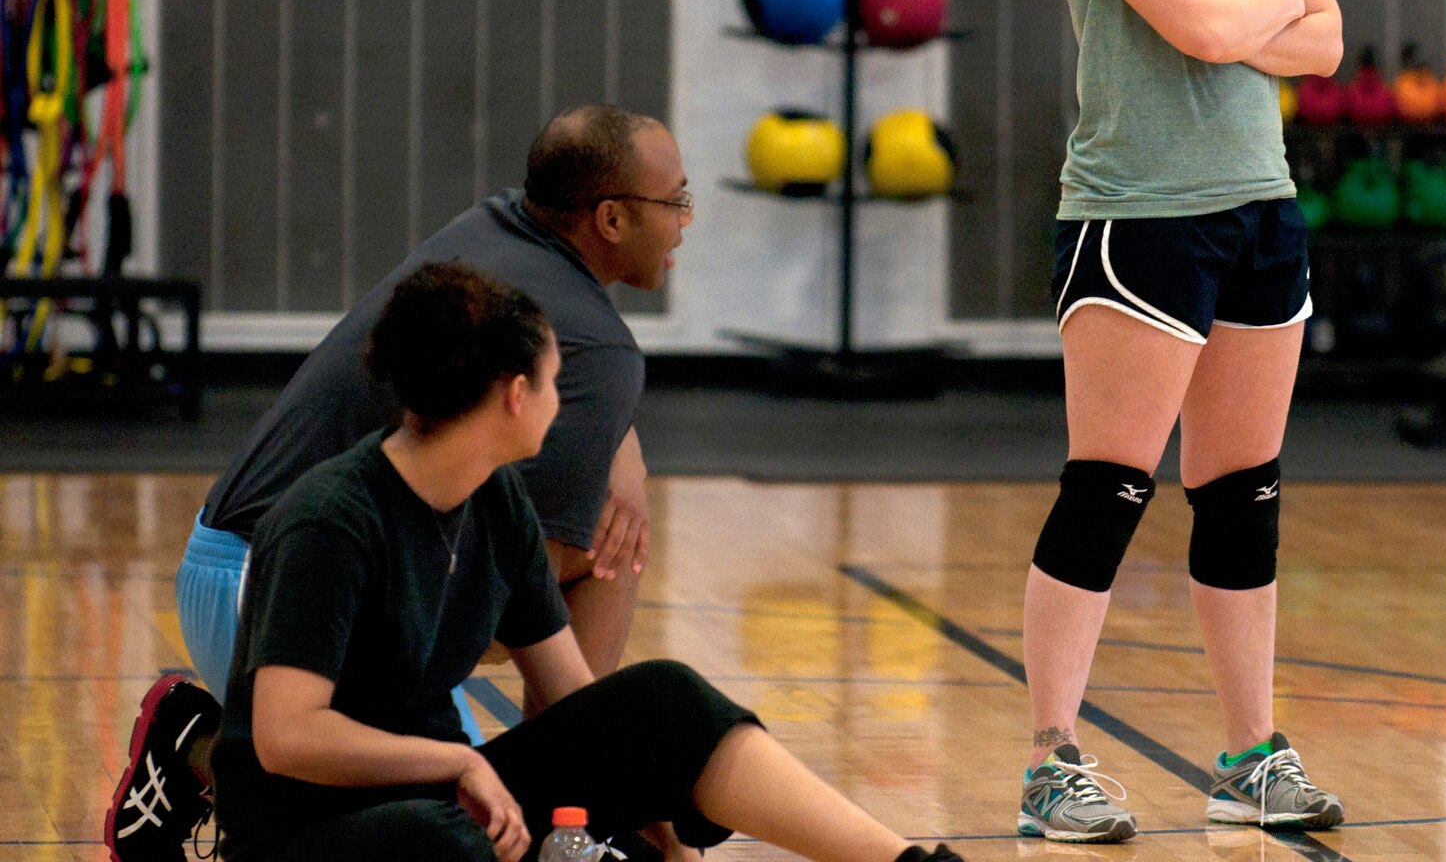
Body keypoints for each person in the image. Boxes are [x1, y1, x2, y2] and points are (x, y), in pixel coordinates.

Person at [154, 261, 964, 862]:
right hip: (315, 829)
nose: (564, 395)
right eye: (554, 378)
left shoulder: (497, 499)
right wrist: (455, 760)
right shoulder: (329, 520)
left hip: (448, 793)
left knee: (662, 701)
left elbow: (577, 706)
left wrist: (653, 797)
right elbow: (289, 740)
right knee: (441, 842)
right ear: (513, 394)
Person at [107, 104, 688, 860]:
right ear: (611, 218)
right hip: (275, 595)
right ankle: (205, 752)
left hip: (221, 562)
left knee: (589, 547)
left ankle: (564, 806)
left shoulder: (499, 230)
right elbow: (510, 591)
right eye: (675, 200)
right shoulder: (601, 350)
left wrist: (627, 458)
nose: (684, 220)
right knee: (600, 564)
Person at [1016, 0, 1347, 843]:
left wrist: (1231, 7)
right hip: (1137, 217)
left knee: (1241, 495)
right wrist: (1254, 12)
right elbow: (1219, 31)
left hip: (1258, 205)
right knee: (1107, 489)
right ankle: (1052, 760)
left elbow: (1326, 37)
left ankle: (1248, 757)